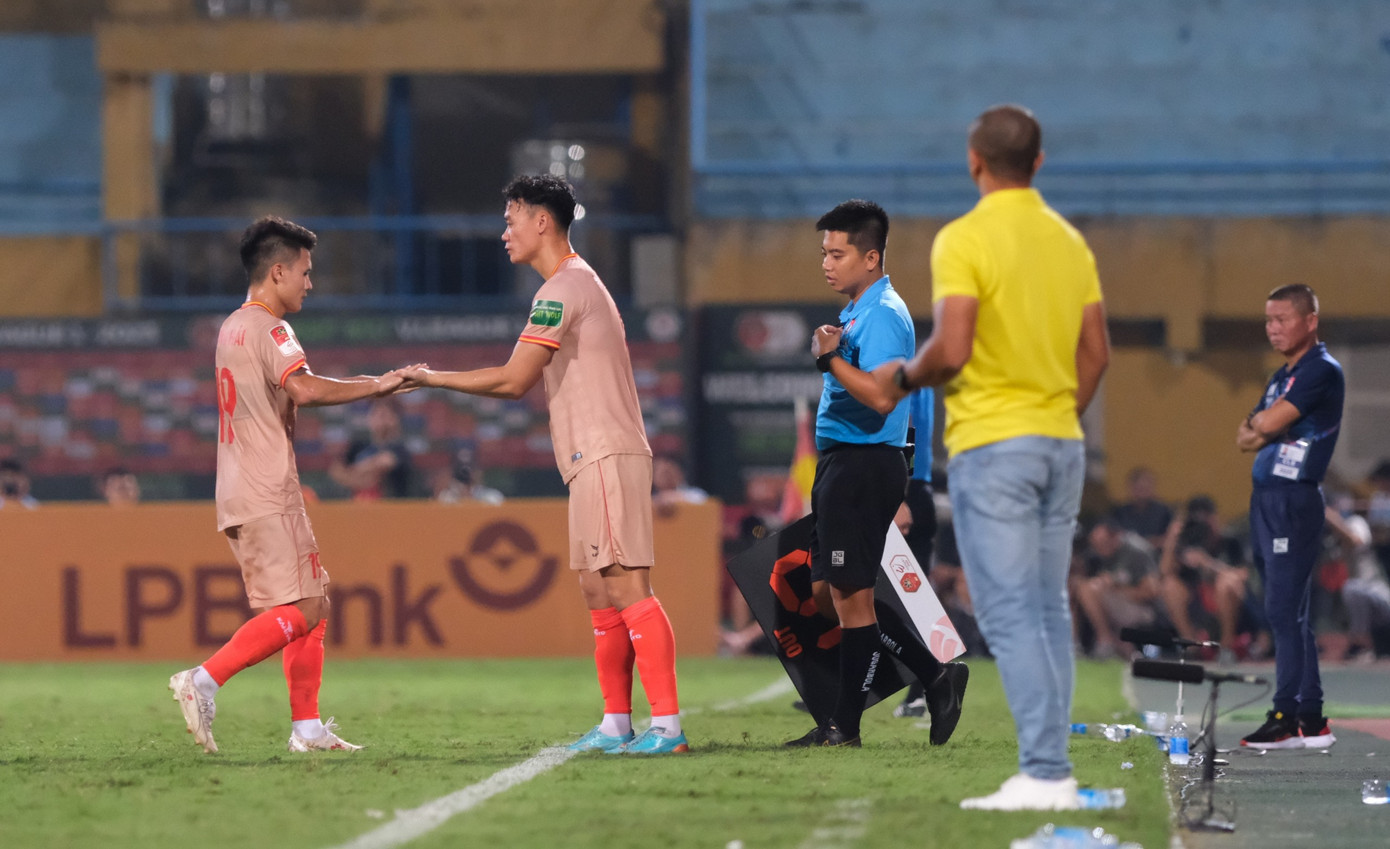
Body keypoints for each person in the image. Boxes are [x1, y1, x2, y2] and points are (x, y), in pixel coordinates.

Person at [398, 175, 687, 754]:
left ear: (542, 222)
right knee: (598, 590)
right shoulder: (573, 286)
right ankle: (615, 724)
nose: (503, 231)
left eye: (511, 219)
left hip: (606, 452)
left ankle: (669, 728)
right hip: (588, 458)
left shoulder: (563, 289)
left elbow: (512, 380)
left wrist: (430, 377)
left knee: (626, 585)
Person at [875, 104, 1110, 810]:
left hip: (993, 444)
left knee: (1009, 616)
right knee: (1046, 611)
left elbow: (952, 348)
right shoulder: (1071, 242)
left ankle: (1043, 773)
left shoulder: (965, 238)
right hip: (1061, 443)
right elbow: (1096, 353)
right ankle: (1053, 766)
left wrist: (904, 378)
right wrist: (1055, 417)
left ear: (974, 162)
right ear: (1038, 163)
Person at [169, 216, 410, 754]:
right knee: (303, 609)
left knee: (313, 597)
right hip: (267, 487)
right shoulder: (271, 328)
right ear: (277, 271)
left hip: (235, 487)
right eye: (304, 271)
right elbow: (301, 388)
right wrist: (378, 385)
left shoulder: (230, 326)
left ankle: (306, 728)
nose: (309, 282)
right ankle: (203, 680)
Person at [784, 199, 968, 750]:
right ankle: (934, 674)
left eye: (837, 253)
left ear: (871, 257)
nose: (826, 263)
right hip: (844, 462)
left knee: (850, 598)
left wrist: (828, 361)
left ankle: (844, 726)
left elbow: (885, 399)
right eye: (823, 252)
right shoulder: (858, 311)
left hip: (863, 463)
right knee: (825, 594)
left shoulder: (885, 313)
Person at [1236, 283, 1344, 749]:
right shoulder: (1283, 376)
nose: (1272, 329)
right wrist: (1263, 423)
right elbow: (1245, 437)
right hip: (1267, 498)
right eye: (1268, 321)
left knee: (1282, 609)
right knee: (1288, 612)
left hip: (1294, 499)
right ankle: (1311, 719)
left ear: (1310, 321)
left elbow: (1265, 425)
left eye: (1282, 320)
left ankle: (1284, 715)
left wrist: (1265, 423)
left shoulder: (1322, 370)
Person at [1157, 495, 1262, 659]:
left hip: (1231, 605)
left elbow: (1242, 575)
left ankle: (1226, 647)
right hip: (1197, 605)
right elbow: (1164, 572)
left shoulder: (1230, 542)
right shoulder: (1188, 542)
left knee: (1226, 582)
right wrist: (1172, 539)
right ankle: (1191, 646)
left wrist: (1207, 563)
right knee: (1169, 585)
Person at [1071, 519, 1163, 659]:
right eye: (1096, 545)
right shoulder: (1099, 555)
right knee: (1076, 586)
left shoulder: (1136, 551)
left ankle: (1107, 641)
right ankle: (1074, 644)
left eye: (1102, 544)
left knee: (1087, 590)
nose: (1098, 549)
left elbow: (1151, 592)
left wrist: (1116, 589)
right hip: (1116, 602)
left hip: (1143, 609)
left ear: (1115, 537)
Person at [1324, 500, 1390, 661]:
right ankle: (1362, 645)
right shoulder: (1331, 537)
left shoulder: (1354, 522)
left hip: (1375, 588)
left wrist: (1330, 516)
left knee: (1352, 588)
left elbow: (1356, 541)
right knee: (1351, 588)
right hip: (1365, 598)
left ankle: (1362, 643)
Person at [328, 397, 416, 499]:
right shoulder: (359, 446)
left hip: (390, 506)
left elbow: (384, 463)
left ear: (395, 419)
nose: (379, 420)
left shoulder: (400, 449)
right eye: (375, 414)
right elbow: (336, 470)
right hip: (357, 506)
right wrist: (359, 479)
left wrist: (352, 473)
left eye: (383, 415)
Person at [1110, 467, 1173, 550]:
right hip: (1127, 555)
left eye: (1147, 487)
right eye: (1139, 488)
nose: (1143, 492)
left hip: (1155, 556)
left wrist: (1151, 542)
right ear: (1131, 488)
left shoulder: (1164, 512)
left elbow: (1170, 539)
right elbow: (1114, 538)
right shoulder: (1119, 513)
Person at [432, 447, 505, 505]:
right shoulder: (446, 498)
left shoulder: (492, 496)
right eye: (461, 471)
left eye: (470, 470)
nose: (465, 475)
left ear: (478, 472)